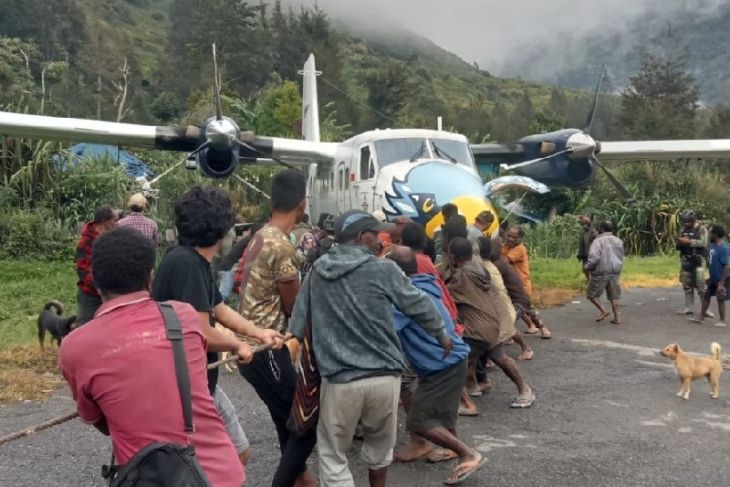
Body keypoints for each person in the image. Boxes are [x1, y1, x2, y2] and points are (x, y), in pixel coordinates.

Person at [59, 227, 245, 487]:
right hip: (218, 475)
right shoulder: (185, 317)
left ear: (95, 279)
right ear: (150, 276)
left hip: (149, 478)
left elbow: (99, 419)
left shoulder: (74, 347)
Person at [289, 209, 450, 487]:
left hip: (340, 382)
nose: (380, 239)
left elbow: (298, 321)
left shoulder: (318, 271)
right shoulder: (383, 268)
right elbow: (418, 303)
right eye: (376, 234)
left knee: (333, 456)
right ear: (362, 237)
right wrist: (441, 335)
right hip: (384, 379)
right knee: (379, 450)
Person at [152, 186, 283, 468]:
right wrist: (237, 345)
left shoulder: (189, 259)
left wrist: (258, 332)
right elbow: (201, 334)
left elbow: (219, 308)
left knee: (229, 456)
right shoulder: (187, 264)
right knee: (233, 457)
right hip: (186, 385)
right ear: (222, 230)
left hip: (193, 380)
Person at [236, 170, 317, 487]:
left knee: (284, 418)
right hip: (266, 348)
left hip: (249, 346)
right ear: (302, 205)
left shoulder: (261, 234)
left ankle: (302, 478)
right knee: (305, 422)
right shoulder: (283, 246)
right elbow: (292, 307)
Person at [386, 246, 484, 485]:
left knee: (420, 421)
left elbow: (386, 327)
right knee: (443, 414)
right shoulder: (426, 284)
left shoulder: (406, 297)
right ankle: (454, 449)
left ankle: (468, 454)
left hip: (444, 364)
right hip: (451, 359)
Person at [446, 237, 535, 409]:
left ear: (453, 256)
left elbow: (447, 296)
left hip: (477, 327)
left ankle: (465, 403)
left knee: (456, 360)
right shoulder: (480, 269)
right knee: (498, 357)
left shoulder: (462, 277)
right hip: (493, 322)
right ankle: (524, 390)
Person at [485, 237, 551, 339]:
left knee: (507, 320)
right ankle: (542, 329)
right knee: (530, 311)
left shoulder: (498, 264)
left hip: (516, 298)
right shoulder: (501, 262)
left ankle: (522, 345)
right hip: (519, 294)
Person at [75, 205, 119, 326]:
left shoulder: (113, 238)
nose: (118, 224)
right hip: (91, 295)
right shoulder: (86, 242)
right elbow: (84, 271)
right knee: (84, 328)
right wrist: (101, 288)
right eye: (116, 221)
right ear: (105, 222)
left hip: (111, 294)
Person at [585, 221, 625, 324]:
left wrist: (588, 267)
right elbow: (621, 256)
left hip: (600, 272)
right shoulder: (618, 241)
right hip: (615, 272)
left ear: (601, 229)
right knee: (614, 296)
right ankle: (617, 318)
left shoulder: (598, 241)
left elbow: (594, 258)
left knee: (592, 294)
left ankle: (603, 311)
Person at [691, 224, 729, 327]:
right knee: (707, 297)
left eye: (711, 233)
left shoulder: (724, 248)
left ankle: (722, 320)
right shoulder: (712, 246)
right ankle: (701, 317)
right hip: (713, 278)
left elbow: (726, 266)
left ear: (716, 234)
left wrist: (721, 283)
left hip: (722, 279)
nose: (710, 235)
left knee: (720, 298)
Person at [676, 211, 711, 317]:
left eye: (687, 221)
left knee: (701, 286)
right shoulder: (683, 230)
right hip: (686, 260)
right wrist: (679, 242)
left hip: (698, 260)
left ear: (692, 220)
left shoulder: (701, 229)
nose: (685, 223)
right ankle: (688, 308)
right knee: (687, 286)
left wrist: (689, 242)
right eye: (684, 221)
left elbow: (703, 243)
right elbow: (678, 242)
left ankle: (705, 310)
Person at [577, 215, 597, 281]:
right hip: (585, 254)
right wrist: (580, 254)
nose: (584, 226)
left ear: (589, 225)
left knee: (592, 269)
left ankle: (592, 280)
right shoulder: (582, 232)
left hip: (592, 254)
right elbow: (581, 244)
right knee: (584, 269)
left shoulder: (593, 233)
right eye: (583, 224)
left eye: (585, 224)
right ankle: (588, 279)